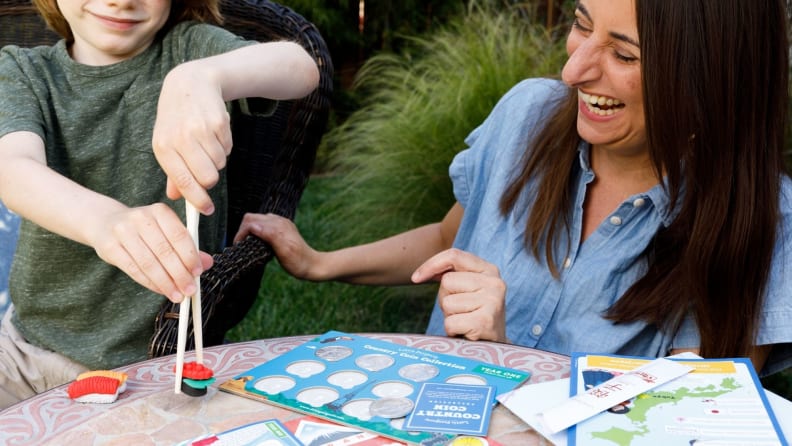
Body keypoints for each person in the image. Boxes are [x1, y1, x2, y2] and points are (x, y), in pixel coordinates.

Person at [235, 0, 792, 377]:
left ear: (710, 82)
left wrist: (508, 363)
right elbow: (450, 237)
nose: (574, 70)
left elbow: (689, 422)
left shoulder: (764, 222)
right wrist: (319, 262)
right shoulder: (528, 113)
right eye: (581, 23)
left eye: (624, 55)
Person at [0, 0, 319, 408]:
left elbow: (300, 67)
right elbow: (14, 168)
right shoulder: (24, 70)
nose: (122, 1)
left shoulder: (189, 50)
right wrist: (105, 222)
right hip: (25, 353)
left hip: (152, 368)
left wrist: (204, 76)